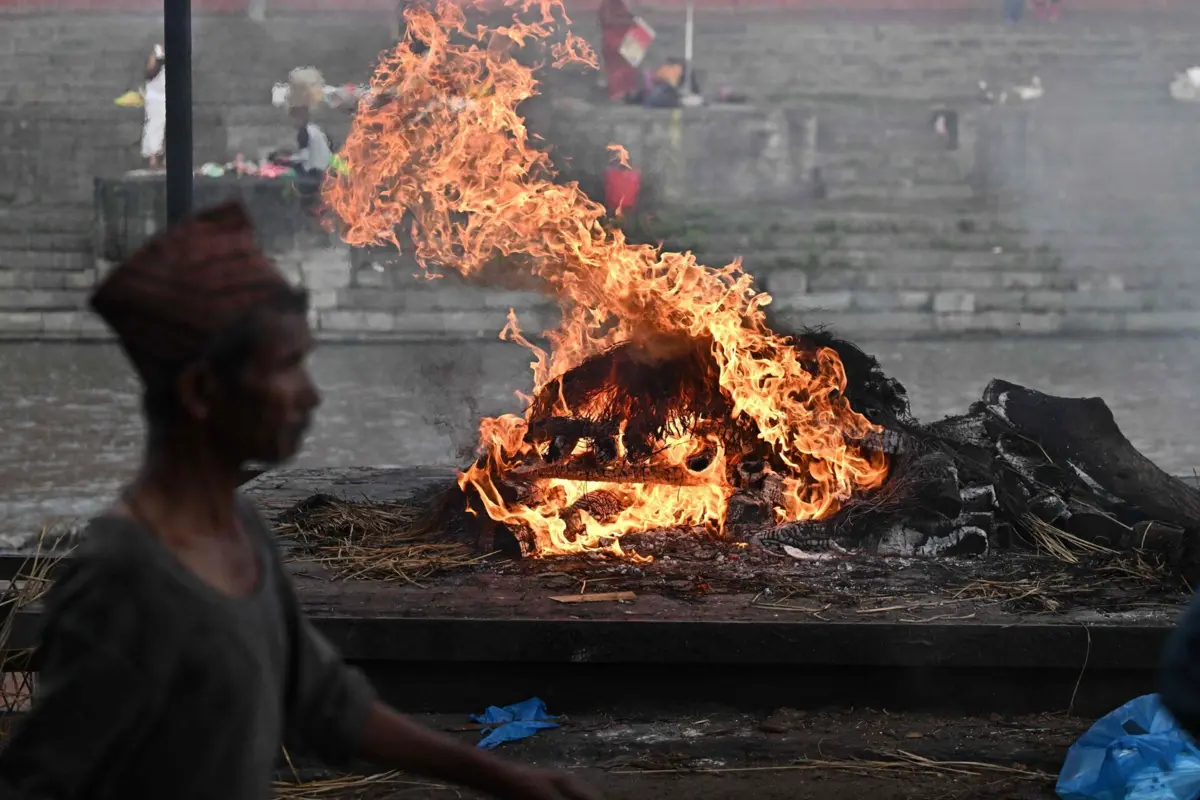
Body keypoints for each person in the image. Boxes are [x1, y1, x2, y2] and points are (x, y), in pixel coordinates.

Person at [0, 201, 599, 800]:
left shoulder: (238, 527)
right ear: (202, 391)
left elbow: (326, 699)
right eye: (287, 368)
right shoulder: (122, 581)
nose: (310, 395)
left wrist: (503, 777)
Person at [597, 0, 640, 102]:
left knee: (626, 67)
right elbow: (607, 20)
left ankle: (627, 92)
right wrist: (629, 21)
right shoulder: (609, 5)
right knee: (617, 68)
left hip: (622, 41)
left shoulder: (617, 5)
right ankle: (619, 93)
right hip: (615, 42)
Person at [142, 43, 166, 169]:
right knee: (155, 126)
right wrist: (159, 60)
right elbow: (149, 72)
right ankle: (153, 158)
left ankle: (163, 159)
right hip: (156, 98)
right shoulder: (155, 55)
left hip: (166, 95)